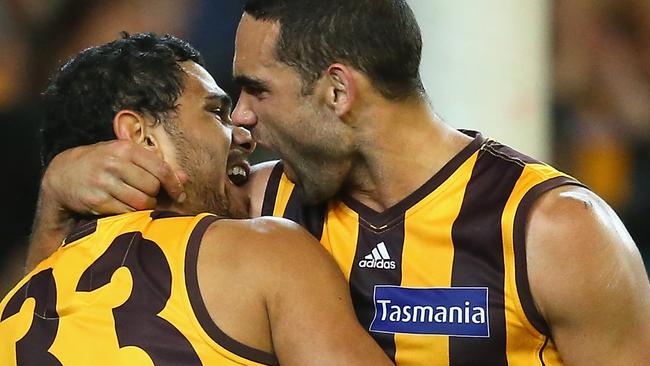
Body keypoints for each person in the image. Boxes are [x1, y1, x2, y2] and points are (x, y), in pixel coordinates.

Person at [27, 1, 650, 365]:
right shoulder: (252, 203)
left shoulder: (555, 231)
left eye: (256, 90)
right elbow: (53, 316)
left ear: (337, 90)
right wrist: (59, 189)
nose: (241, 118)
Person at [0, 32, 392, 366]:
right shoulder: (267, 250)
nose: (243, 134)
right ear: (142, 136)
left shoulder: (14, 314)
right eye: (216, 112)